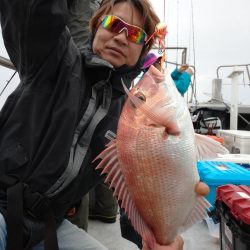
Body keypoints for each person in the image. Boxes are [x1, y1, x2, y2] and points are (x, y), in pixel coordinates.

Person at [0, 1, 209, 250]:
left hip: (49, 224)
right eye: (113, 24)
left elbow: (133, 187)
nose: (121, 37)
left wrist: (153, 236)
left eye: (134, 34)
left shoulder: (127, 117)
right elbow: (32, 10)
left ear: (143, 50)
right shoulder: (52, 58)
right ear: (96, 26)